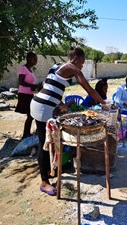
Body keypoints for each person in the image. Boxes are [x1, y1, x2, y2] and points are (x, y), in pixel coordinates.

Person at [30, 47, 106, 196]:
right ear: (77, 58)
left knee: (48, 141)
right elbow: (89, 89)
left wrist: (60, 104)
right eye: (82, 63)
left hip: (41, 103)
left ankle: (47, 170)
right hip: (43, 108)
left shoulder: (56, 65)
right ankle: (44, 182)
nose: (82, 66)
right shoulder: (72, 68)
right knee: (44, 143)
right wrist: (104, 103)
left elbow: (51, 87)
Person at [15, 52, 42, 139]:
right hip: (24, 95)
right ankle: (25, 134)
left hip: (29, 94)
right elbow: (21, 82)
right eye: (34, 59)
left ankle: (27, 134)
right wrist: (34, 86)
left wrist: (37, 87)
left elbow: (30, 84)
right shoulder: (23, 68)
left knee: (31, 115)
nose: (36, 60)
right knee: (30, 115)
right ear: (29, 58)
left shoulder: (30, 70)